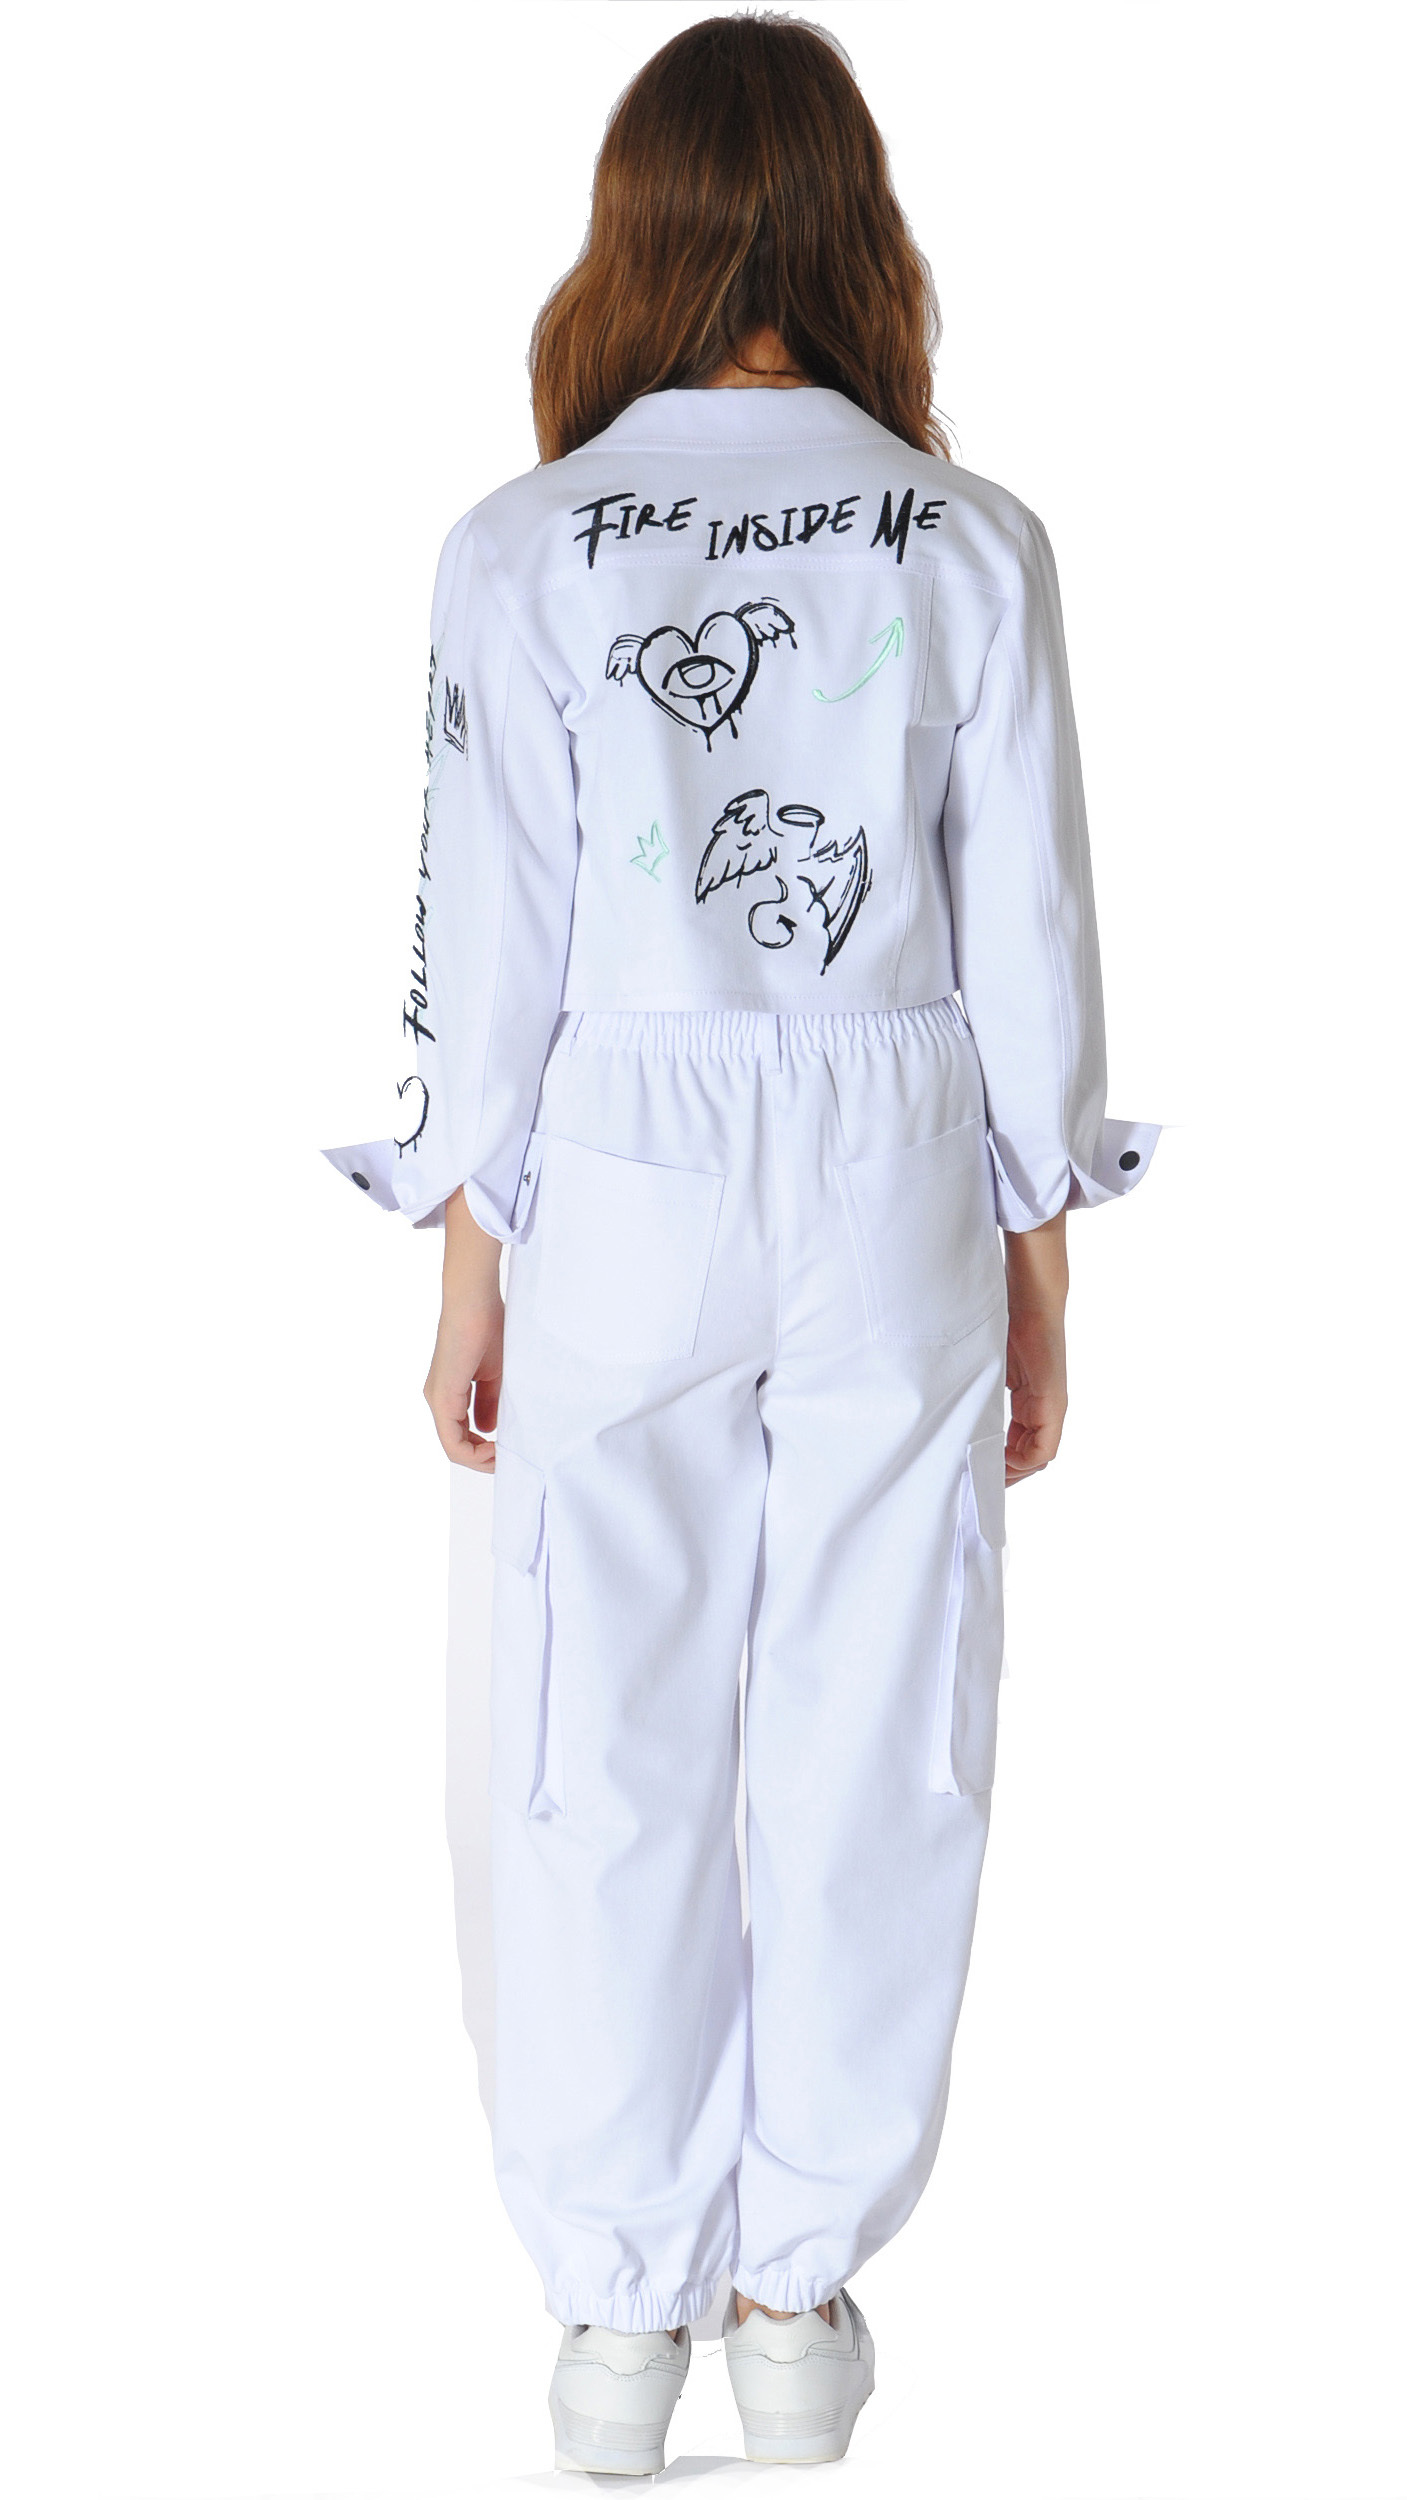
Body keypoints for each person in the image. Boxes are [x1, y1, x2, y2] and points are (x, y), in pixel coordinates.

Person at [327, 13, 1157, 2475]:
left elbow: (486, 945)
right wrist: (1035, 1254)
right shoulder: (966, 537)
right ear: (853, 224)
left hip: (626, 1147)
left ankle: (614, 2321)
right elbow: (1030, 933)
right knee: (877, 1727)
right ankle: (790, 2295)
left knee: (598, 1729)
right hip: (893, 1137)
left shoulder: (521, 546)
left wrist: (467, 1257)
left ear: (640, 225)